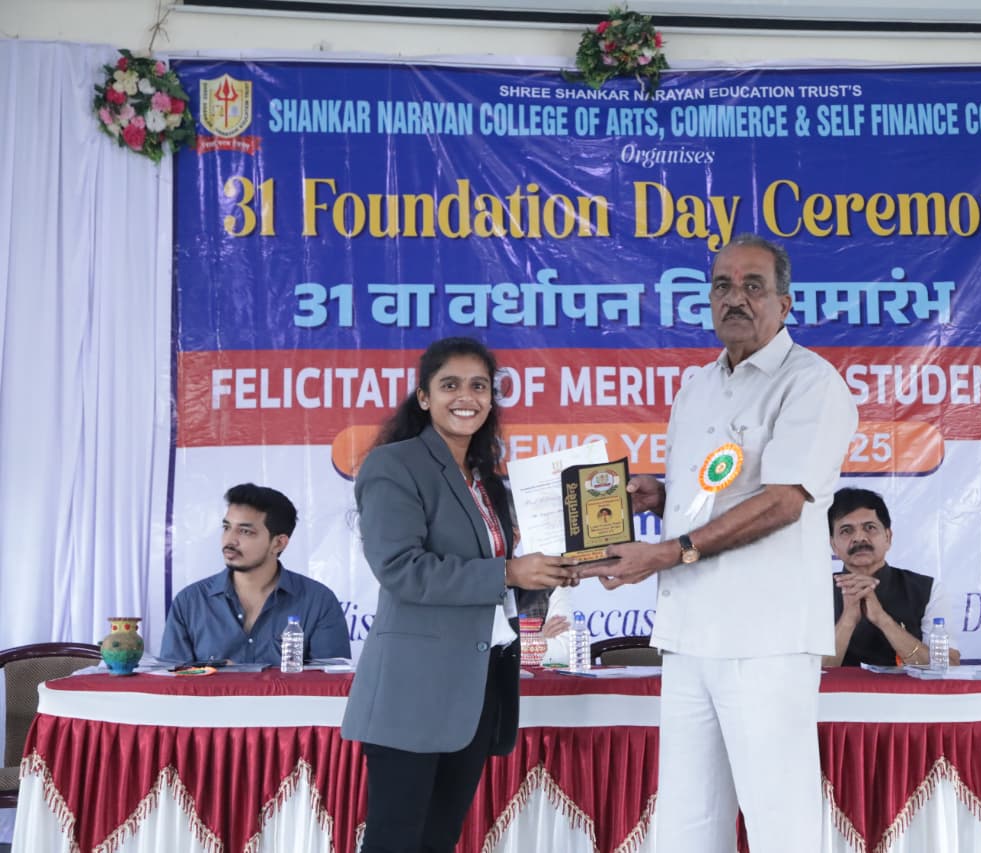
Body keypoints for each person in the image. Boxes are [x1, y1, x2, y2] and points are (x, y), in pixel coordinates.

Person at [580, 235, 857, 852]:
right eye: (723, 286)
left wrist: (669, 550)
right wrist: (660, 497)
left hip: (764, 639)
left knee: (781, 827)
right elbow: (714, 498)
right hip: (688, 633)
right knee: (687, 825)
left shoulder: (810, 383)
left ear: (785, 303)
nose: (736, 298)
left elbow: (784, 501)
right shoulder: (698, 386)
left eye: (753, 285)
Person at [340, 337, 577, 853]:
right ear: (424, 397)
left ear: (491, 399)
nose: (466, 396)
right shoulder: (394, 465)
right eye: (450, 385)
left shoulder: (486, 480)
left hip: (478, 686)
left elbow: (501, 580)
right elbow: (402, 570)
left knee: (439, 842)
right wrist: (510, 572)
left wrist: (554, 570)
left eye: (479, 386)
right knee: (394, 844)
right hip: (413, 690)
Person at [160, 483, 351, 665]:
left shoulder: (318, 601)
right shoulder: (190, 602)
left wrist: (248, 677)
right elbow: (172, 680)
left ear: (278, 543)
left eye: (245, 531)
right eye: (226, 527)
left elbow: (332, 681)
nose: (230, 540)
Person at [822, 487, 960, 668]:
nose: (859, 537)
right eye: (846, 530)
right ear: (833, 545)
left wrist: (882, 619)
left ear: (888, 537)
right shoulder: (814, 592)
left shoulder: (927, 590)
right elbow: (805, 673)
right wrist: (848, 619)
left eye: (870, 528)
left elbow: (949, 666)